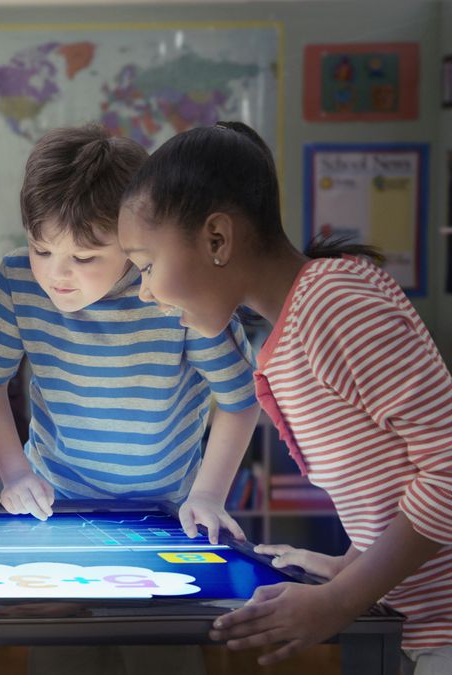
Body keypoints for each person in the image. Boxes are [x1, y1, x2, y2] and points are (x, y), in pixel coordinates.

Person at [118, 121, 452, 673]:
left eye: (148, 265)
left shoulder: (332, 305)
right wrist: (348, 567)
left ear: (217, 239)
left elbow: (446, 469)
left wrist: (340, 602)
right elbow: (390, 476)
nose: (146, 292)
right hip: (422, 628)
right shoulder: (298, 324)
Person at [0, 125, 260, 674]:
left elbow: (241, 400)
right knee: (63, 662)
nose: (57, 274)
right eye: (42, 248)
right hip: (58, 514)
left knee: (161, 662)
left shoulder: (175, 288)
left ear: (132, 236)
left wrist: (210, 496)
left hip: (166, 518)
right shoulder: (17, 281)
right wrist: (14, 473)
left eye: (86, 256)